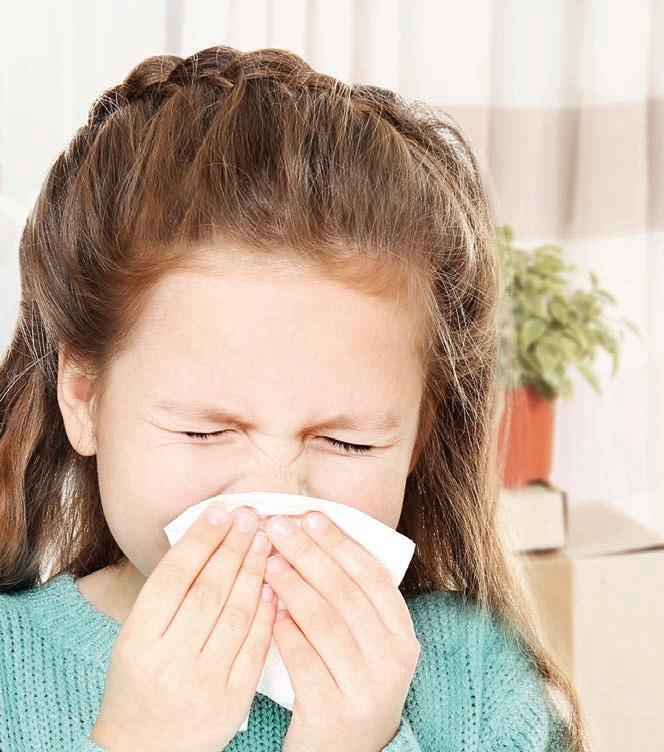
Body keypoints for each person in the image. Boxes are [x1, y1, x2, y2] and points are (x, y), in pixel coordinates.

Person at [0, 45, 588, 751]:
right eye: (204, 431)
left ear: (417, 434)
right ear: (84, 397)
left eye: (347, 442)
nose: (274, 498)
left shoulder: (481, 685)